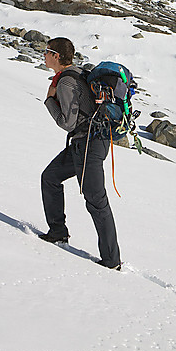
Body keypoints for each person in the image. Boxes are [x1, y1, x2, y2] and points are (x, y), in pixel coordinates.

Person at [40, 37, 121, 270]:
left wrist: (49, 100)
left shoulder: (66, 82)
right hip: (86, 143)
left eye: (47, 51)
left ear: (56, 56)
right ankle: (57, 232)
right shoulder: (78, 73)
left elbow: (67, 122)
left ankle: (112, 260)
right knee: (50, 177)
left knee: (96, 201)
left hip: (88, 145)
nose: (43, 55)